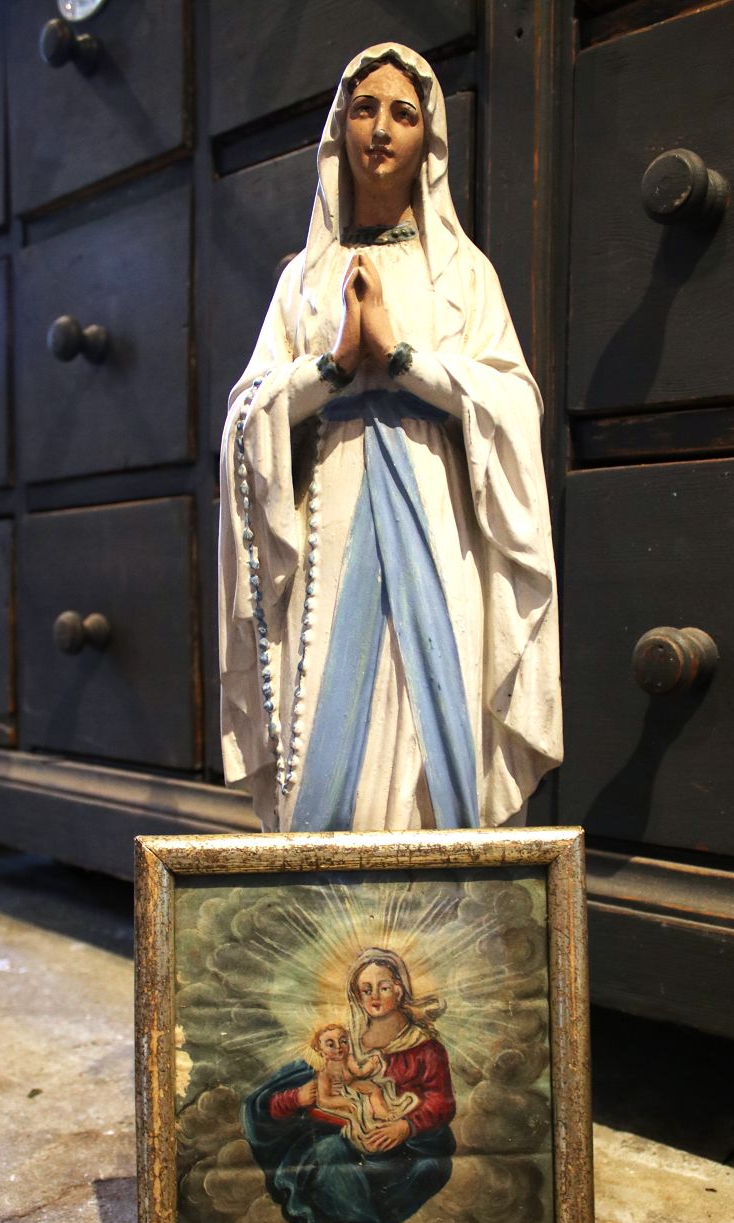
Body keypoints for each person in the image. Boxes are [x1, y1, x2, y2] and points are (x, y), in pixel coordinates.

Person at [218, 42, 562, 832]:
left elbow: (514, 401)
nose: (380, 129)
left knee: (430, 692)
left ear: (427, 140)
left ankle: (435, 873)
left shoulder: (464, 274)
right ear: (340, 129)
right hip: (331, 516)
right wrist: (335, 365)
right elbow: (246, 414)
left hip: (437, 517)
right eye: (365, 110)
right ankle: (330, 876)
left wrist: (404, 359)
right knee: (326, 697)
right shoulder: (304, 281)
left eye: (402, 114)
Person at [243, 948, 455, 1223]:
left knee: (431, 1168)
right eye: (365, 989)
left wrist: (405, 1126)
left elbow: (441, 1103)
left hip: (404, 1142)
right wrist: (298, 1097)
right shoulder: (343, 1040)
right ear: (356, 994)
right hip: (345, 1136)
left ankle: (366, 1212)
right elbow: (273, 1100)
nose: (374, 996)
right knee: (329, 1152)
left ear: (399, 990)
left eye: (383, 987)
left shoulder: (425, 1047)